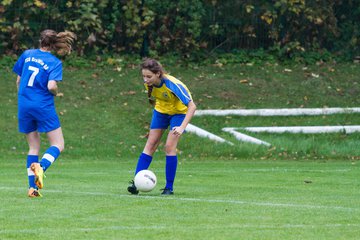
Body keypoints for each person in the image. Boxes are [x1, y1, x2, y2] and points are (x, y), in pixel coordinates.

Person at [13, 29, 76, 197]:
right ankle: (41, 167)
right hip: (43, 105)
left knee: (33, 147)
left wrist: (25, 97)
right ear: (54, 43)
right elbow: (51, 86)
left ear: (40, 41)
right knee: (58, 144)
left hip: (24, 104)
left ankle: (32, 189)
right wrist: (56, 93)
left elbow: (19, 80)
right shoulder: (54, 62)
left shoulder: (27, 54)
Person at [128, 58, 196, 195]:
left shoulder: (173, 84)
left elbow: (192, 106)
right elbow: (157, 99)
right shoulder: (149, 84)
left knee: (169, 147)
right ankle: (136, 183)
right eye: (143, 76)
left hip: (179, 113)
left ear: (158, 74)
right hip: (161, 112)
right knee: (150, 144)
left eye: (148, 76)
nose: (145, 80)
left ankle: (169, 188)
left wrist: (181, 127)